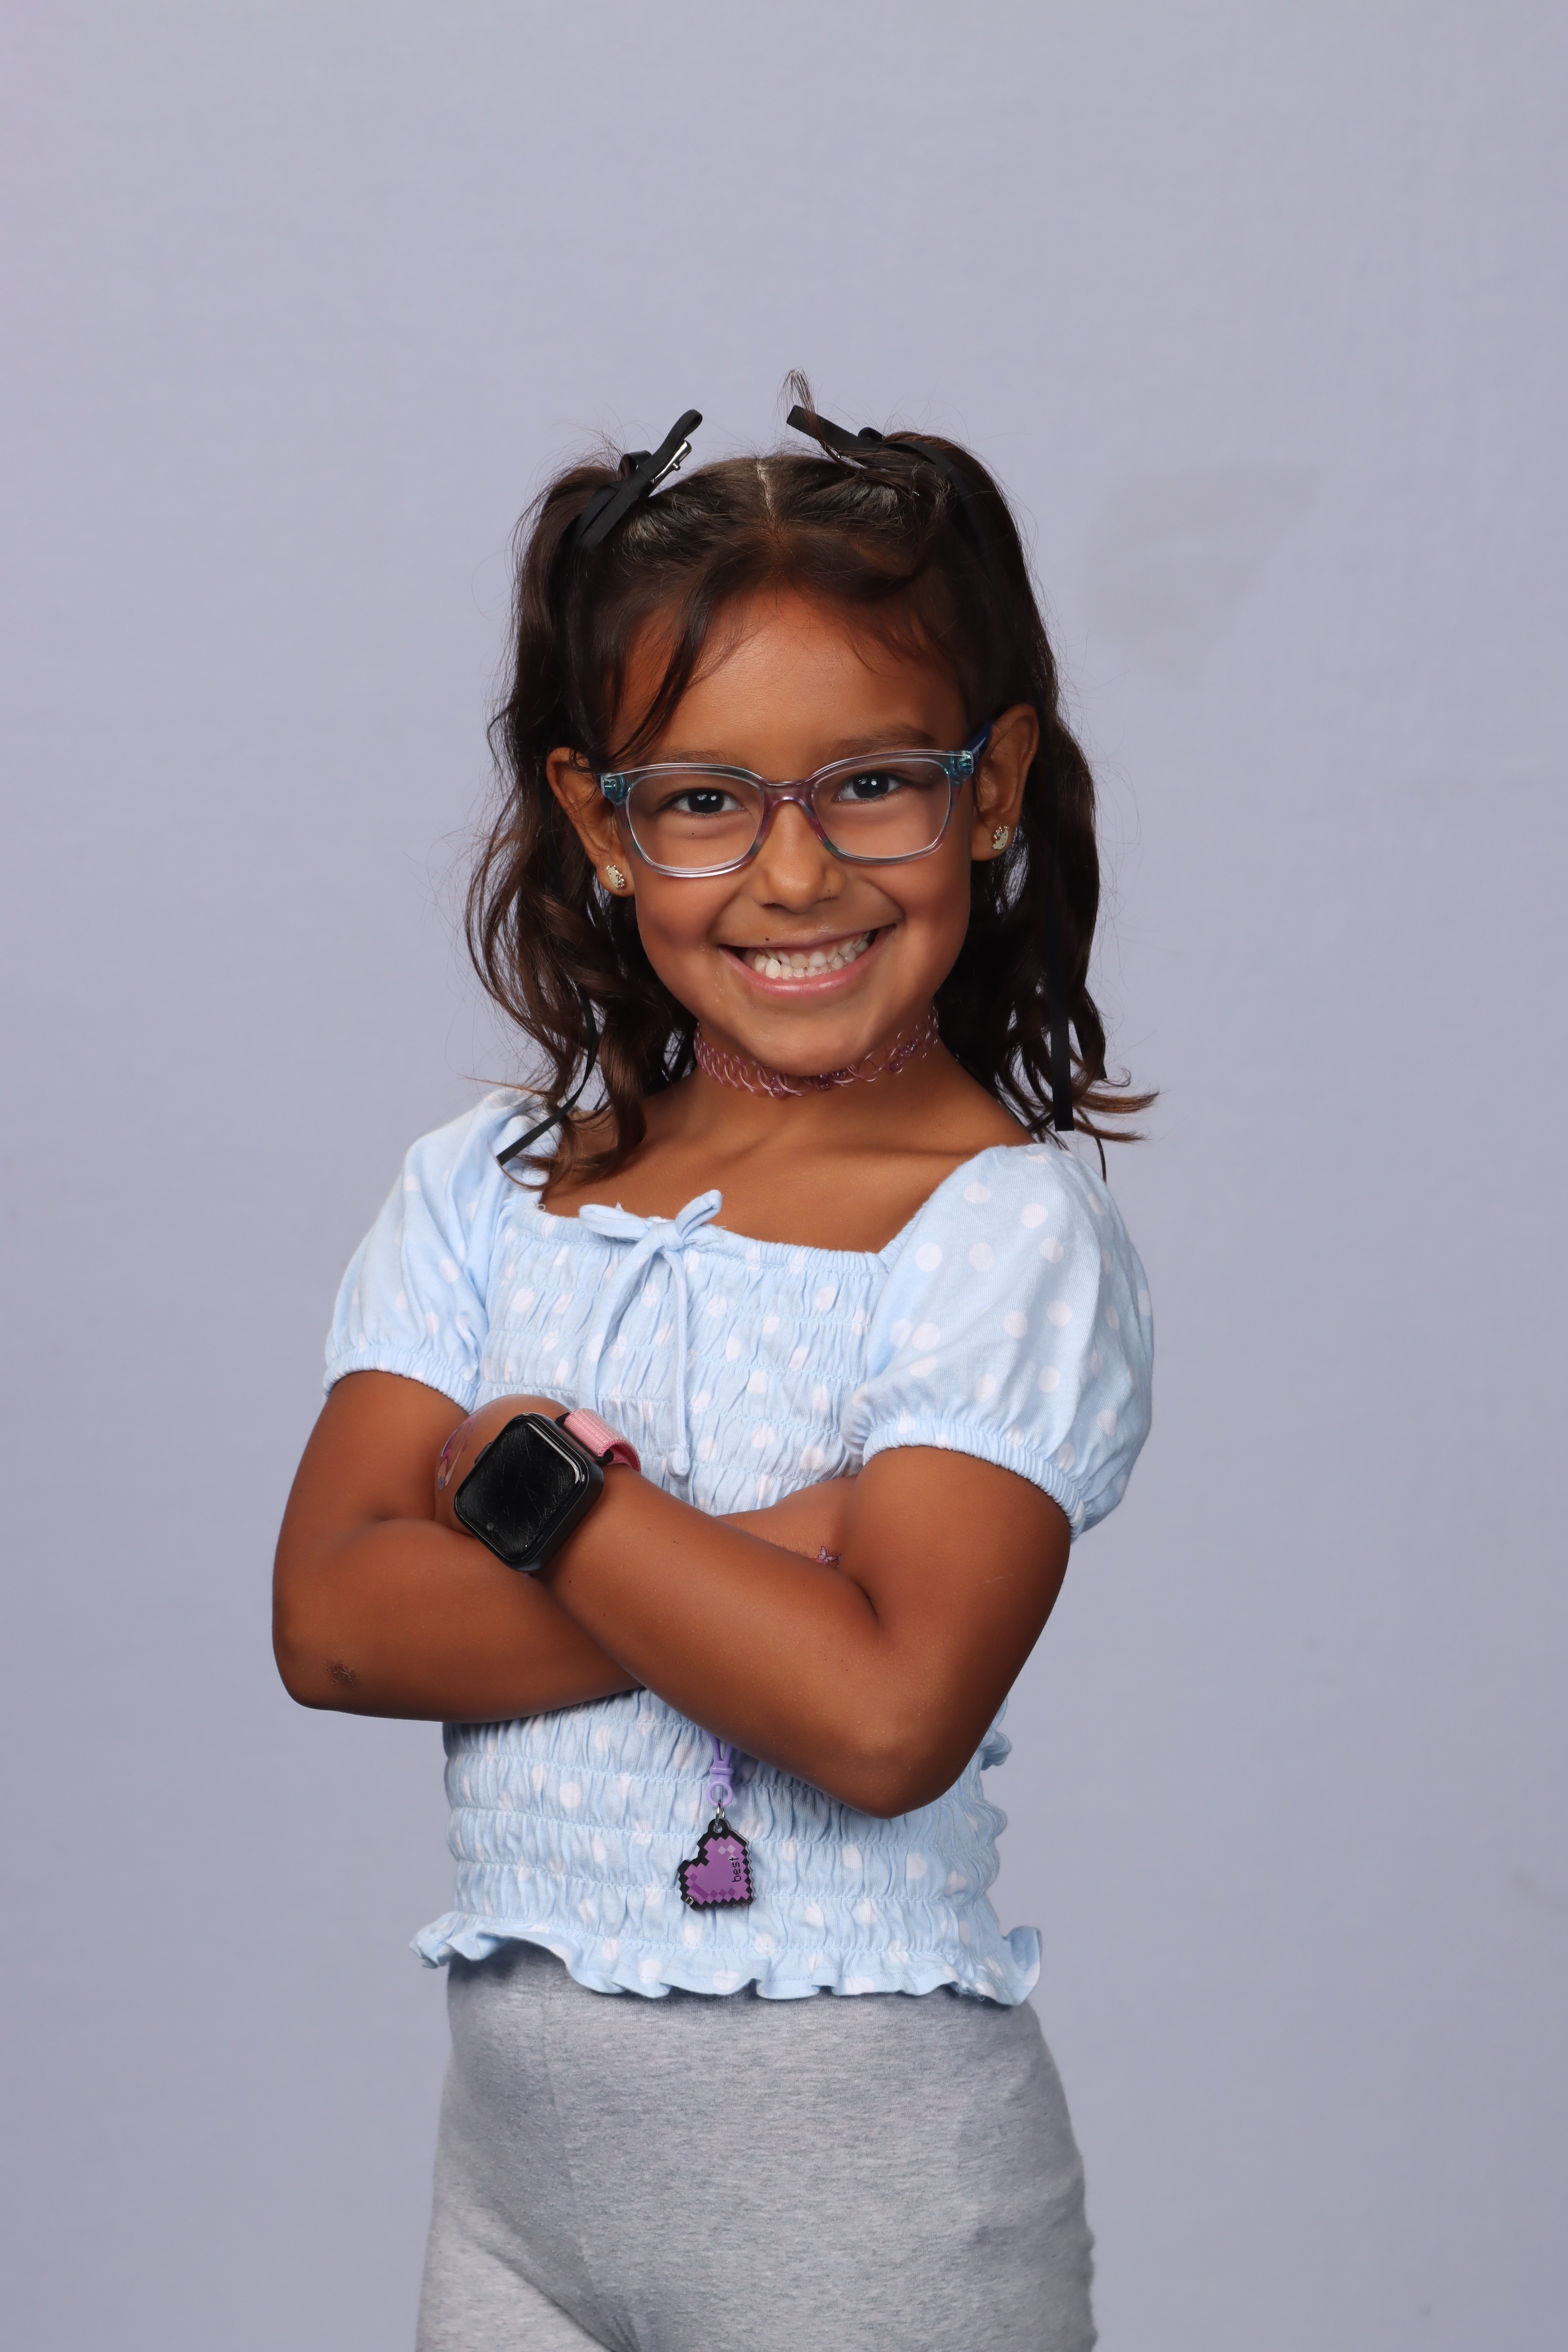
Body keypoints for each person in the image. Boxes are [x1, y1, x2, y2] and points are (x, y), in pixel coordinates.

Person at [273, 392, 1155, 2352]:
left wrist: (543, 1506)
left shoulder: (999, 1236)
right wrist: (772, 1560)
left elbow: (880, 1717)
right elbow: (332, 1624)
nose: (794, 874)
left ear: (992, 789)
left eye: (872, 783)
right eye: (702, 800)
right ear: (604, 825)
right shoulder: (487, 1191)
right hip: (517, 2208)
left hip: (872, 2217)